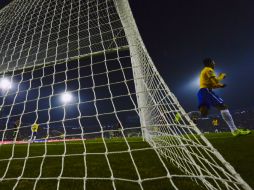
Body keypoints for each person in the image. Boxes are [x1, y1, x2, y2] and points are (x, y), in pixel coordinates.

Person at [197, 58, 251, 136]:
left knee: (204, 113)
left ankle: (185, 116)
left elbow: (213, 84)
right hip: (206, 91)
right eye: (213, 62)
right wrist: (221, 79)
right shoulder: (209, 70)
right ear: (209, 63)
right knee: (223, 107)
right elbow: (216, 82)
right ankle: (234, 131)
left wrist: (220, 84)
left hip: (202, 92)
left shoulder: (204, 71)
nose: (214, 64)